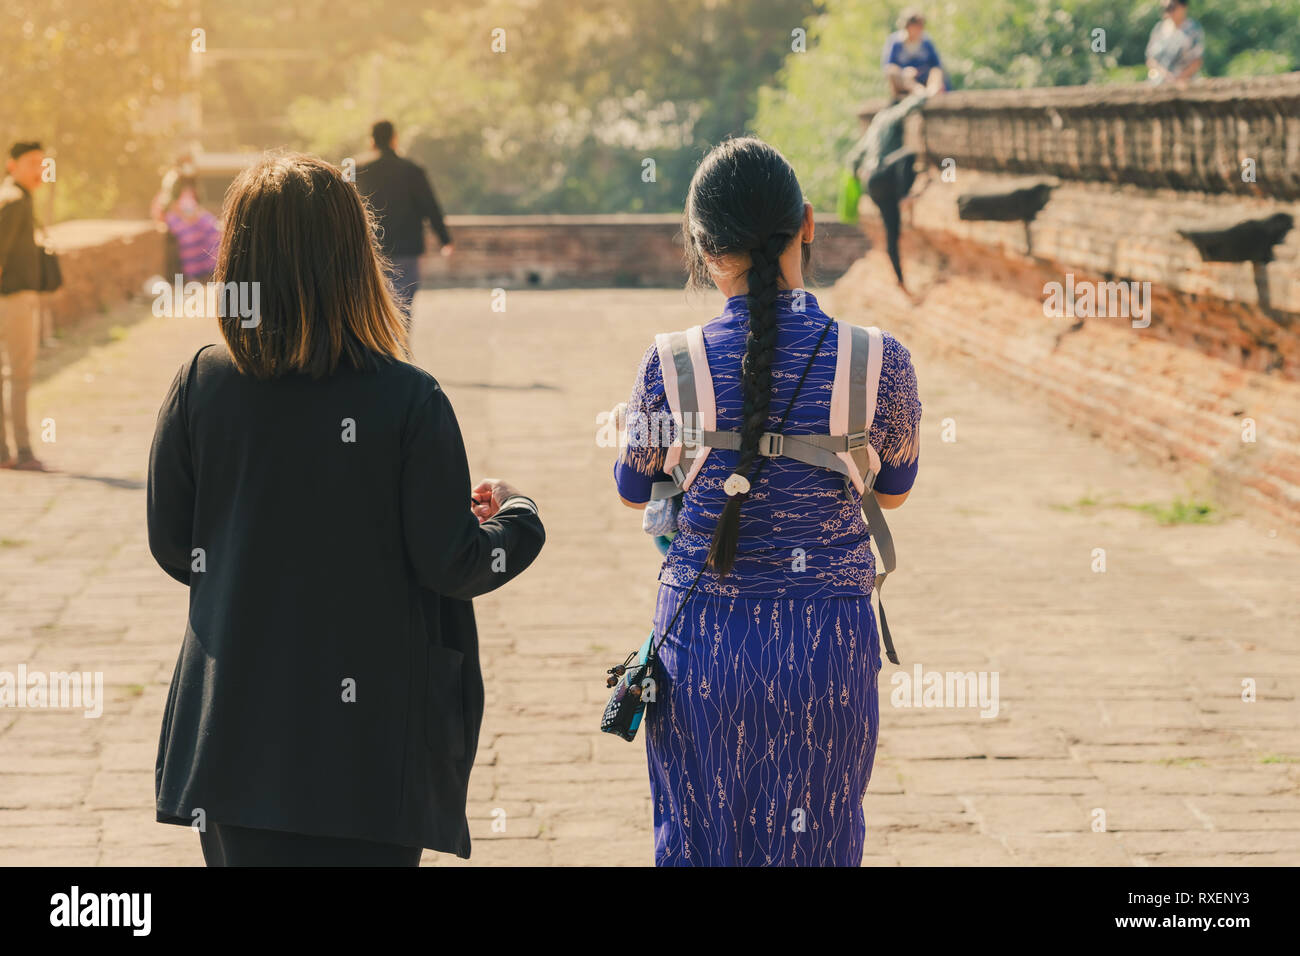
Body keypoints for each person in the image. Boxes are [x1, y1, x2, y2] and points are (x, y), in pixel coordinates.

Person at [147, 152, 544, 866]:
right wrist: (519, 517)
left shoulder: (200, 386)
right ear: (355, 256)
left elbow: (176, 546)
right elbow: (454, 560)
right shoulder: (408, 401)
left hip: (236, 743)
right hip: (368, 760)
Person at [613, 137, 922, 866]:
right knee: (821, 840)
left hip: (704, 641)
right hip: (829, 644)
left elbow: (633, 491)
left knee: (700, 837)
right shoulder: (881, 360)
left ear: (701, 247)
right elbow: (895, 494)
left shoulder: (670, 364)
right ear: (807, 224)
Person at [846, 68, 944, 296]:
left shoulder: (878, 119)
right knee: (910, 154)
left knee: (893, 231)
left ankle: (900, 280)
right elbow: (920, 99)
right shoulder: (895, 113)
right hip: (886, 175)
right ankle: (905, 196)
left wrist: (857, 176)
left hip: (873, 183)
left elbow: (853, 158)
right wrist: (919, 86)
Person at [354, 121, 454, 330]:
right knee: (402, 304)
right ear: (394, 138)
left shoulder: (358, 169)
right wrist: (445, 239)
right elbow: (430, 206)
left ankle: (379, 348)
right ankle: (399, 352)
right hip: (406, 247)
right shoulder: (412, 170)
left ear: (371, 141)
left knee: (372, 305)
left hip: (370, 248)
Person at [0, 141, 49, 472]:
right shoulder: (14, 201)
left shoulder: (13, 198)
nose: (39, 169)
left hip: (14, 297)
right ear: (11, 164)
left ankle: (6, 451)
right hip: (13, 299)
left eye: (42, 163)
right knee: (20, 376)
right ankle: (24, 450)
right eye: (31, 162)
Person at [882, 8, 946, 100]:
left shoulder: (926, 41)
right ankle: (918, 91)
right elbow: (888, 67)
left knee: (936, 72)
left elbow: (936, 65)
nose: (920, 29)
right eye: (917, 26)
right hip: (905, 81)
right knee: (892, 71)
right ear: (908, 26)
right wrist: (904, 71)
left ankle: (931, 92)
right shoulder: (895, 42)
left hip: (925, 78)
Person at [1146, 0, 1204, 86]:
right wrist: (1166, 76)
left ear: (1183, 7)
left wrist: (1178, 79)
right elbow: (1150, 59)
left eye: (1171, 7)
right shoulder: (1159, 29)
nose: (1168, 11)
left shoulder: (1193, 29)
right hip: (1159, 83)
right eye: (1165, 8)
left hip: (1186, 83)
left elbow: (1197, 60)